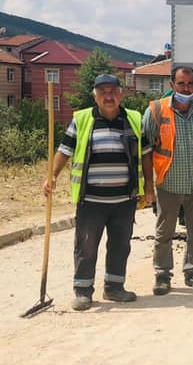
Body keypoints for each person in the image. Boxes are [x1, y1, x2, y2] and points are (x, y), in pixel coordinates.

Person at [43, 73, 148, 311]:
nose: (108, 97)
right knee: (86, 246)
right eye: (103, 92)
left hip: (125, 199)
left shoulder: (134, 119)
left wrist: (149, 188)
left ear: (120, 94)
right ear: (95, 96)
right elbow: (64, 150)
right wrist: (52, 175)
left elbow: (146, 154)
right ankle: (83, 292)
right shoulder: (81, 119)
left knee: (120, 245)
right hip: (91, 199)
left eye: (112, 92)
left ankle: (114, 288)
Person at [141, 66, 193, 295]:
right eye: (181, 83)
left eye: (190, 83)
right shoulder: (156, 110)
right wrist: (148, 184)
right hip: (168, 182)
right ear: (172, 84)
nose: (186, 88)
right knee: (164, 232)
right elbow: (146, 148)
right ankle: (162, 274)